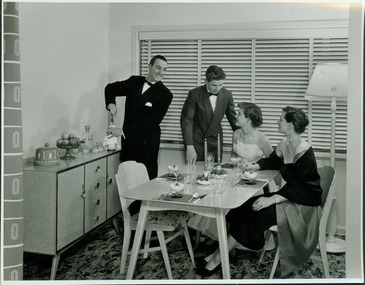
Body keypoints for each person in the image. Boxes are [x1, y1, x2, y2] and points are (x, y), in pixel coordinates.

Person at [195, 106, 322, 278]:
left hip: (301, 205)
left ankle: (218, 258)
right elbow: (272, 162)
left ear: (290, 125)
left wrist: (274, 198)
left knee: (255, 212)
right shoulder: (285, 144)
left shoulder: (303, 150)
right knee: (241, 207)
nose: (278, 121)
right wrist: (255, 165)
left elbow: (306, 187)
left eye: (281, 119)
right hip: (287, 196)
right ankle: (225, 252)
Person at [188, 102, 273, 241]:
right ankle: (220, 236)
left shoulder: (262, 139)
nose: (236, 116)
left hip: (252, 182)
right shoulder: (236, 134)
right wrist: (221, 169)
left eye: (239, 113)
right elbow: (233, 158)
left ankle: (234, 238)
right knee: (216, 192)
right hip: (235, 177)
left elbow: (271, 162)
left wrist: (253, 167)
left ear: (248, 119)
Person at [105, 55, 172, 180]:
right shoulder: (134, 81)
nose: (161, 72)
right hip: (129, 144)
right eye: (158, 68)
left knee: (145, 184)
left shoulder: (166, 95)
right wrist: (111, 104)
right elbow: (110, 88)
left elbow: (150, 123)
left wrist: (121, 131)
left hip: (147, 147)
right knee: (128, 182)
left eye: (164, 69)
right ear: (150, 66)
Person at [180, 65, 238, 164]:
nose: (217, 89)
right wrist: (189, 146)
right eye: (214, 85)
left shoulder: (227, 95)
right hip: (197, 142)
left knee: (215, 174)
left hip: (216, 142)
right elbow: (187, 120)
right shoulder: (194, 94)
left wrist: (244, 139)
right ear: (206, 81)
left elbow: (233, 119)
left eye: (220, 85)